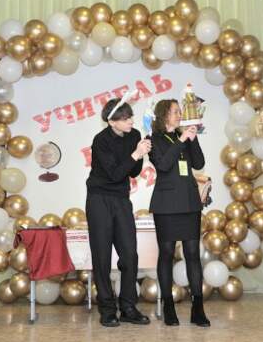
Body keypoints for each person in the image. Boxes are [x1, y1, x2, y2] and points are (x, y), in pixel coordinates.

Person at [85, 97, 152, 327]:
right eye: (125, 118)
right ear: (112, 122)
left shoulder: (134, 135)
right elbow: (114, 174)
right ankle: (107, 309)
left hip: (122, 199)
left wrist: (140, 153)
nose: (131, 121)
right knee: (102, 256)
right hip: (99, 199)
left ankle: (128, 307)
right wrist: (136, 154)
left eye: (131, 116)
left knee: (130, 255)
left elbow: (133, 172)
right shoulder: (100, 140)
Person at [148, 99, 210, 327]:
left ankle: (198, 307)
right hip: (166, 205)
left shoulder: (182, 136)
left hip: (189, 203)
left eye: (179, 111)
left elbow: (199, 163)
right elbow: (163, 165)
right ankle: (168, 306)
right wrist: (182, 140)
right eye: (175, 111)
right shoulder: (153, 139)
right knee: (166, 253)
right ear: (164, 115)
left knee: (192, 253)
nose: (179, 115)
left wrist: (192, 138)